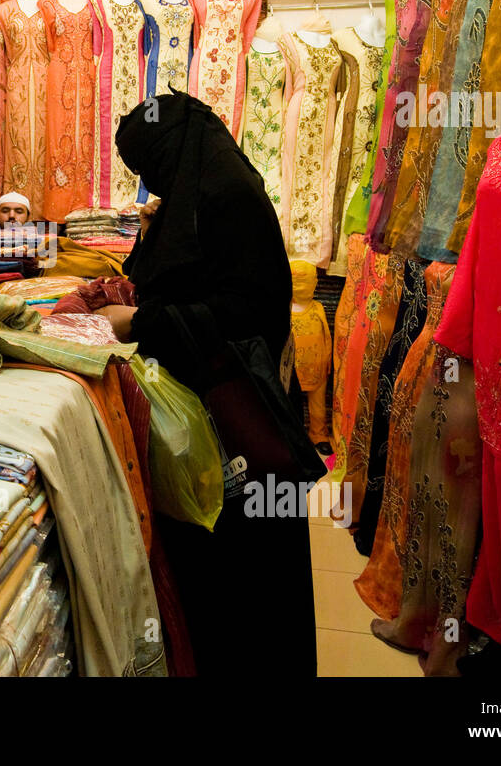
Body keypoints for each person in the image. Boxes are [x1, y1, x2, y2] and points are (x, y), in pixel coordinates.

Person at [98, 90, 324, 676]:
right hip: (211, 418)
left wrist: (143, 322)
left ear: (170, 149)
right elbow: (171, 276)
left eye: (149, 167)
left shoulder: (226, 197)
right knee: (217, 573)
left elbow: (243, 311)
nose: (149, 182)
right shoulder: (197, 187)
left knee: (248, 581)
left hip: (236, 419)